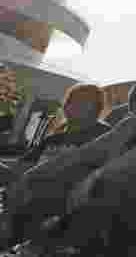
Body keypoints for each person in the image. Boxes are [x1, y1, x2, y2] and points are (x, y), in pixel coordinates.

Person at [10, 76, 136, 252]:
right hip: (114, 193)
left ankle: (47, 243)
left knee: (97, 186)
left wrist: (93, 177)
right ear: (133, 103)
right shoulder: (128, 124)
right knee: (55, 180)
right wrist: (32, 174)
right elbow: (86, 152)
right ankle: (27, 241)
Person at [0, 84, 110, 248]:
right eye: (71, 101)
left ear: (96, 108)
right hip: (27, 195)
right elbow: (19, 168)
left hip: (59, 203)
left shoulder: (104, 135)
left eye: (82, 102)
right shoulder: (54, 139)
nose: (72, 106)